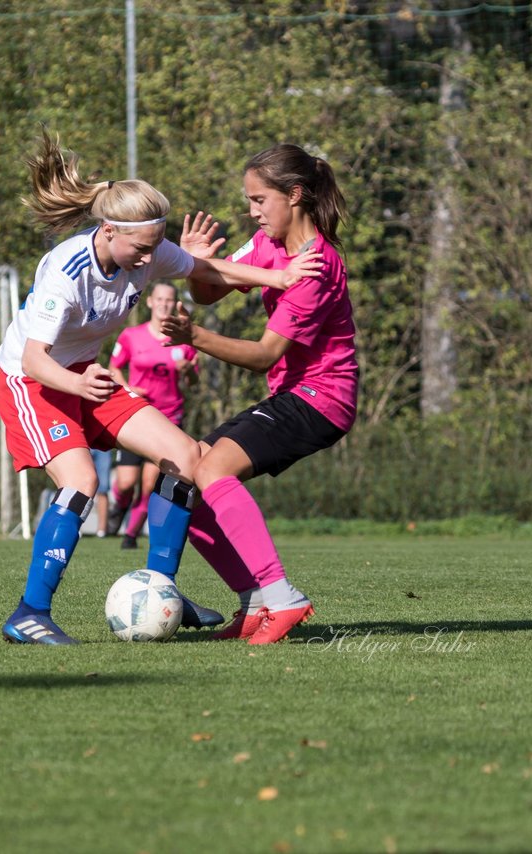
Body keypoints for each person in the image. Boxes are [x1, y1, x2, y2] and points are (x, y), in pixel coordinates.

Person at [0, 130, 317, 645]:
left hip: (85, 378)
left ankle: (159, 586)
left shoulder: (147, 248)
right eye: (141, 249)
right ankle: (30, 612)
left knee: (187, 457)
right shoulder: (66, 271)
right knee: (82, 482)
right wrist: (77, 383)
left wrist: (279, 279)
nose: (150, 261)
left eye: (155, 247)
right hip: (34, 383)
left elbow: (206, 268)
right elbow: (34, 361)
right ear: (107, 230)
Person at [162, 143, 357, 645]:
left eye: (258, 200)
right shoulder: (267, 245)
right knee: (185, 471)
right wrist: (197, 264)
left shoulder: (316, 266)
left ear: (294, 196)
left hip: (321, 399)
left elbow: (266, 354)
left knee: (212, 469)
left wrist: (195, 337)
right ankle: (254, 600)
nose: (251, 211)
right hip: (294, 395)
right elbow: (210, 290)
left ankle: (282, 596)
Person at [105, 282, 199, 550]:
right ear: (150, 302)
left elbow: (193, 380)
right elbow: (114, 368)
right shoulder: (131, 336)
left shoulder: (183, 339)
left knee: (149, 484)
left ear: (174, 303)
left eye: (169, 300)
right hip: (136, 416)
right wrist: (127, 389)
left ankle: (130, 535)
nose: (164, 304)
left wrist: (188, 370)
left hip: (169, 418)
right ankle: (119, 506)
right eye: (159, 299)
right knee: (126, 483)